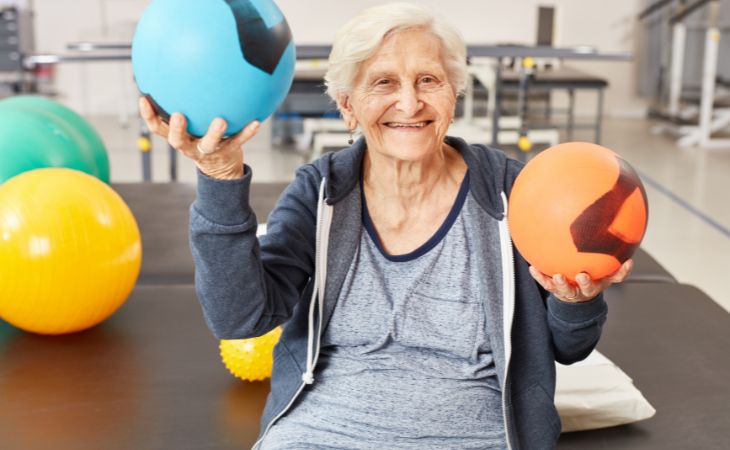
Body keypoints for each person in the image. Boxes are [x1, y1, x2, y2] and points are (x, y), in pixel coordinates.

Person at [139, 3, 632, 449]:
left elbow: (570, 348)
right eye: (383, 83)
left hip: (472, 435)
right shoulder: (322, 190)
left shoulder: (511, 192)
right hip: (322, 431)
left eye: (428, 80)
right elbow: (239, 319)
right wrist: (220, 178)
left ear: (454, 93)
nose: (410, 103)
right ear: (349, 107)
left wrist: (577, 302)